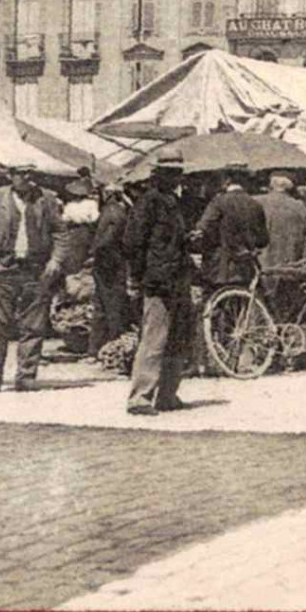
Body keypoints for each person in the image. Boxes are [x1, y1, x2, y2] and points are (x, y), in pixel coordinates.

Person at [0, 163, 63, 392]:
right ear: (11, 176)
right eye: (22, 173)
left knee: (33, 325)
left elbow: (61, 232)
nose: (28, 177)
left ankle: (26, 376)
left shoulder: (47, 198)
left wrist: (56, 261)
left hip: (35, 268)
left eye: (32, 173)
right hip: (3, 267)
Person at [124, 151, 196, 415]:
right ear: (158, 174)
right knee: (156, 337)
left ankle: (167, 394)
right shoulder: (148, 203)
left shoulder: (173, 202)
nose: (176, 177)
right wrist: (138, 276)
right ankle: (140, 397)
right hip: (158, 280)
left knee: (177, 337)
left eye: (177, 172)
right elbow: (133, 243)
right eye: (170, 172)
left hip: (177, 277)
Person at [197, 163, 271, 289]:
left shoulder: (218, 202)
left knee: (214, 304)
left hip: (220, 268)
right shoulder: (255, 204)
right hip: (246, 269)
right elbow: (263, 240)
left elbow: (204, 227)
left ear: (227, 180)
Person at [88, 182, 131, 358]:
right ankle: (97, 348)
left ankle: (111, 348)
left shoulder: (112, 211)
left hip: (109, 264)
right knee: (104, 305)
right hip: (109, 263)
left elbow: (108, 240)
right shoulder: (116, 210)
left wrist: (94, 253)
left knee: (111, 307)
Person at [255, 172, 306, 270]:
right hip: (291, 265)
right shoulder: (299, 206)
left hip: (260, 263)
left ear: (271, 185)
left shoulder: (257, 202)